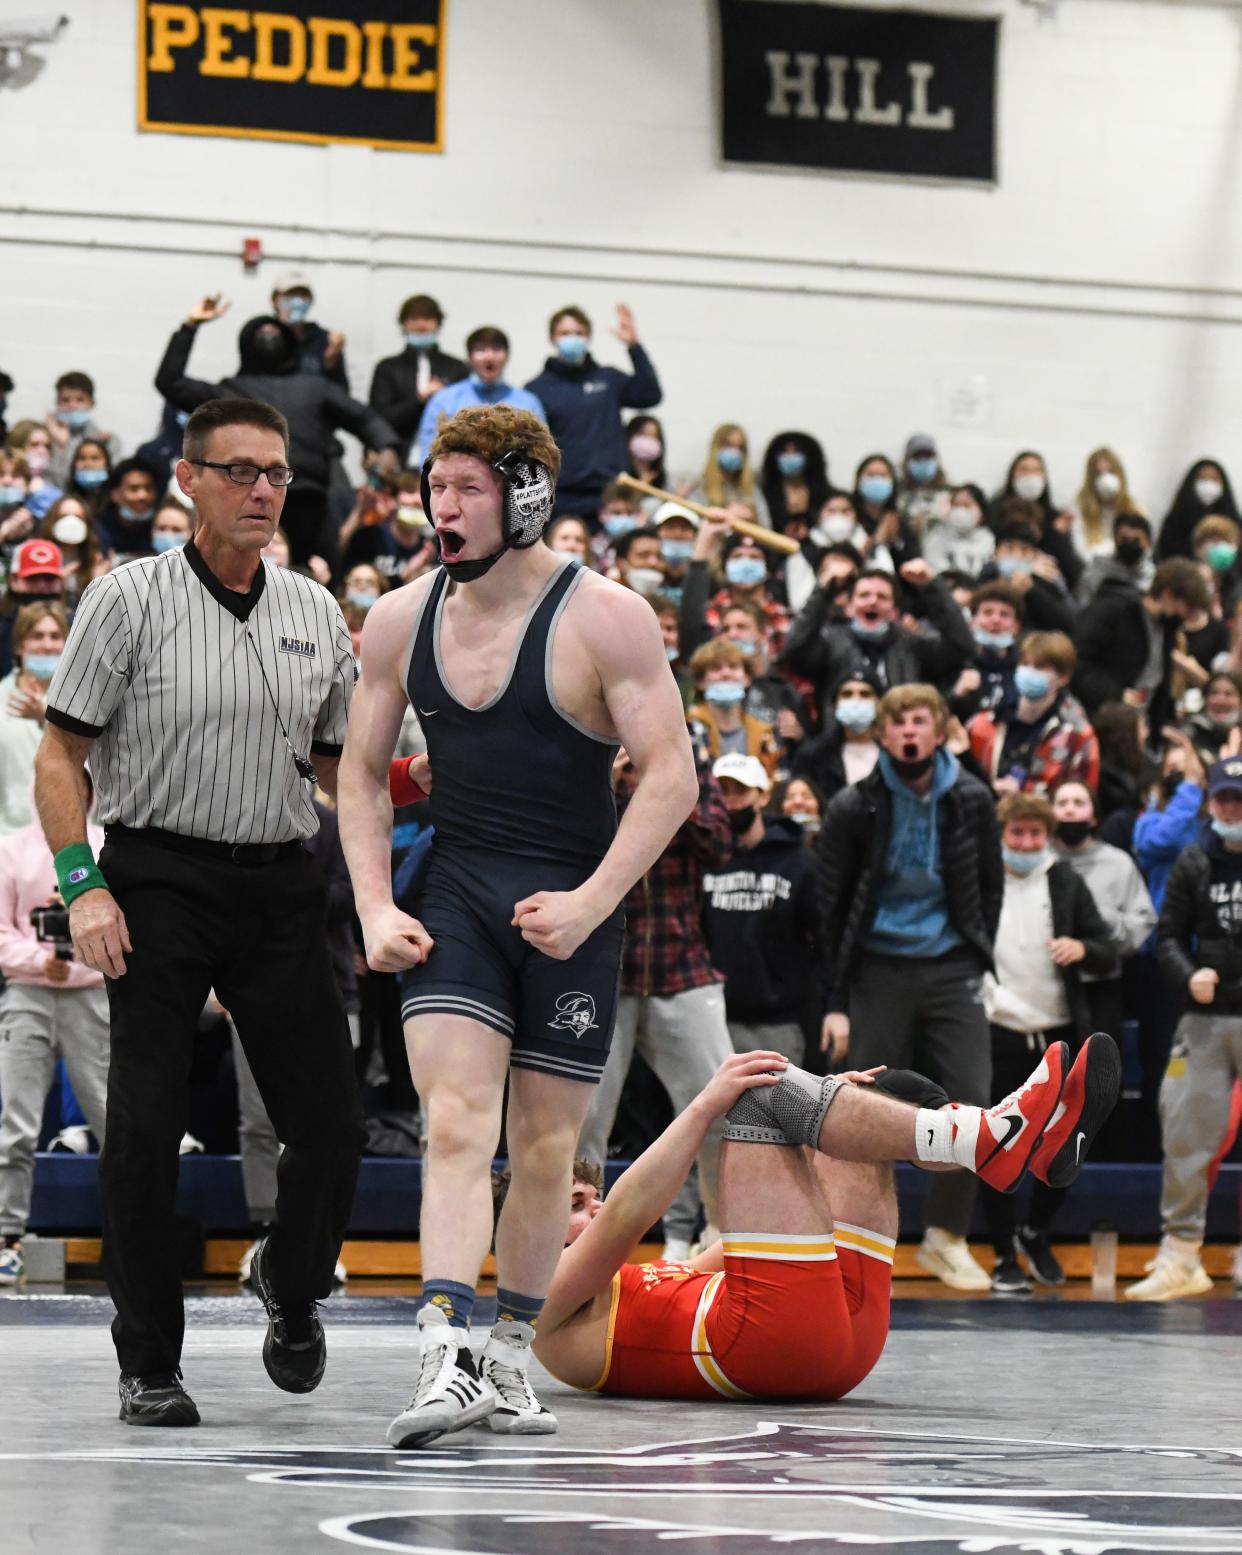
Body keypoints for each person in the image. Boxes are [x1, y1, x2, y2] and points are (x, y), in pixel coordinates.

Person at [336, 403, 697, 1447]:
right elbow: (360, 771)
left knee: (546, 1149)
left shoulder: (608, 616)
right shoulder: (402, 617)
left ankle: (504, 1356)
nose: (443, 508)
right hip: (456, 892)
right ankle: (443, 1348)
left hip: (570, 904)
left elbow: (671, 774)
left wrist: (593, 899)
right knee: (456, 1122)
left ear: (528, 496)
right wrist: (373, 901)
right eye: (435, 486)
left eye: (468, 488)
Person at [34, 396, 365, 1427]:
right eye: (240, 471)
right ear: (188, 480)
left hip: (279, 877)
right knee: (143, 1124)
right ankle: (148, 1362)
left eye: (277, 473)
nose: (264, 489)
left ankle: (293, 1281)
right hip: (159, 875)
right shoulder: (124, 599)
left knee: (334, 1123)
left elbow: (339, 763)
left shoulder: (315, 609)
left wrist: (424, 772)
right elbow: (60, 756)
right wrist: (83, 886)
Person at [530, 1038, 1118, 1403]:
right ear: (528, 1228)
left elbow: (766, 1233)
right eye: (577, 1205)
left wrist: (830, 1108)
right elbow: (632, 1212)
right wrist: (709, 1102)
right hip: (768, 1352)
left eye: (593, 1195)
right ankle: (990, 1139)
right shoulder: (539, 1308)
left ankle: (1030, 1148)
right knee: (758, 1095)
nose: (598, 1207)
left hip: (834, 1343)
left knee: (885, 1093)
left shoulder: (640, 1285)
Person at [817, 683, 1002, 1291]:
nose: (908, 733)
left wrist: (979, 956)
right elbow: (832, 907)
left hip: (952, 967)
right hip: (879, 968)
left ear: (941, 728)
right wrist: (836, 1002)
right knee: (867, 1109)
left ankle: (947, 1238)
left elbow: (989, 886)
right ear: (882, 734)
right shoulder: (854, 805)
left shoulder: (972, 798)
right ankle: (856, 1240)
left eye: (920, 720)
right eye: (898, 723)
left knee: (972, 1099)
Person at [577, 749, 734, 1264]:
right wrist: (612, 781)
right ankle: (572, 1245)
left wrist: (659, 779)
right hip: (599, 968)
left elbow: (718, 845)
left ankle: (726, 1238)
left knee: (725, 1108)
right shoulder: (585, 759)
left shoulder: (690, 765)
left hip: (680, 965)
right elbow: (568, 840)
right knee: (581, 1121)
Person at [981, 792, 1116, 1294]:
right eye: (1017, 834)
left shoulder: (1065, 880)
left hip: (1058, 1032)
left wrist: (1082, 947)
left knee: (1064, 1143)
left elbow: (1106, 949)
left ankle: (1035, 1231)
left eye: (1035, 834)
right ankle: (1001, 1252)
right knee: (996, 1141)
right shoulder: (983, 879)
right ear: (1003, 835)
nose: (1026, 843)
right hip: (998, 1030)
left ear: (1047, 836)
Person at [155, 296, 399, 565]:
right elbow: (170, 381)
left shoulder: (316, 387)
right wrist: (189, 327)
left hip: (310, 503)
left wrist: (386, 447)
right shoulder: (228, 391)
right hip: (246, 499)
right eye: (261, 332)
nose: (268, 334)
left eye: (275, 331)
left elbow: (364, 418)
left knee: (316, 577)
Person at [1135, 755, 1242, 1299]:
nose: (1232, 808)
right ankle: (1180, 1255)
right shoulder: (1194, 860)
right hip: (1205, 1016)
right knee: (1184, 1131)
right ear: (1211, 802)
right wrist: (1187, 974)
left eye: (1240, 799)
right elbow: (1167, 935)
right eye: (1225, 798)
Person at [0, 782, 110, 1286]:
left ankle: (131, 1235)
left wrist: (82, 961)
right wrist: (40, 962)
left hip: (91, 996)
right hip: (27, 996)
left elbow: (123, 921)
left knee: (115, 1121)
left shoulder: (105, 846)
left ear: (85, 796)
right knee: (16, 1123)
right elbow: (3, 932)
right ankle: (6, 1237)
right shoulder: (11, 850)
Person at [702, 753, 818, 1065]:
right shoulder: (702, 858)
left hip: (778, 1019)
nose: (731, 802)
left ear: (763, 795)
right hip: (713, 1016)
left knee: (778, 1112)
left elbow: (821, 938)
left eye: (740, 791)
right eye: (722, 792)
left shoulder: (800, 862)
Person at [782, 563, 974, 727]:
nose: (873, 601)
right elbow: (794, 651)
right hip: (837, 754)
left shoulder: (913, 645)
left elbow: (960, 647)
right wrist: (824, 590)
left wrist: (933, 587)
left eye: (882, 597)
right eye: (864, 595)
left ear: (894, 611)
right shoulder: (831, 643)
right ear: (849, 607)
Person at [525, 304, 661, 519]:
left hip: (612, 493)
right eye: (565, 333)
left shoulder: (608, 378)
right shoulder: (537, 390)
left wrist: (634, 346)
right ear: (552, 339)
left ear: (588, 338)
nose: (573, 338)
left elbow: (650, 395)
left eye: (579, 333)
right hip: (564, 496)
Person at [1052, 779, 1156, 1042]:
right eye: (1062, 803)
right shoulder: (1041, 860)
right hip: (1050, 984)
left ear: (1094, 816)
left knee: (1099, 1073)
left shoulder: (1118, 862)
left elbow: (1143, 921)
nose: (1070, 810)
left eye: (1079, 803)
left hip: (1102, 982)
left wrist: (1105, 929)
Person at [1072, 557, 1209, 733]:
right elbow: (1080, 664)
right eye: (1187, 607)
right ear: (1168, 594)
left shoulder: (1166, 628)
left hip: (1139, 726)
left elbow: (1160, 684)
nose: (1186, 616)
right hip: (1102, 719)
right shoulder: (1113, 610)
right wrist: (1116, 694)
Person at [967, 631, 1099, 797]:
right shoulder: (986, 722)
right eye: (1024, 664)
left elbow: (1082, 801)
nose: (1028, 672)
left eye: (1040, 667)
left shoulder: (1078, 735)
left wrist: (1024, 793)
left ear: (1063, 677)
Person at [368, 293, 469, 466]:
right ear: (403, 324)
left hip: (445, 458)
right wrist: (419, 400)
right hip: (400, 457)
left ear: (438, 323)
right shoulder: (388, 367)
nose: (421, 325)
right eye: (413, 319)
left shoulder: (456, 367)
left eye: (427, 318)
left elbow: (466, 417)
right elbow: (378, 418)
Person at [416, 326, 545, 457]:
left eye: (496, 349)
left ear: (507, 356)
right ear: (469, 357)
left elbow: (541, 452)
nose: (489, 357)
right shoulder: (444, 400)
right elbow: (429, 453)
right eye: (480, 350)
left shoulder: (528, 402)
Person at [0, 602, 67, 835]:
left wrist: (46, 717)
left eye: (55, 636)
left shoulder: (81, 703)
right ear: (20, 645)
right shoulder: (1, 699)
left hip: (67, 840)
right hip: (9, 838)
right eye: (37, 636)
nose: (47, 645)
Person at [686, 639, 780, 777]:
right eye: (716, 668)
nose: (726, 673)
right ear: (700, 681)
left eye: (733, 667)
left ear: (747, 678)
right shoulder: (687, 729)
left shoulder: (765, 732)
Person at [791, 665, 882, 805]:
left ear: (879, 703)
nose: (855, 701)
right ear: (834, 705)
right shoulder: (812, 756)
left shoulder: (895, 753)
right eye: (847, 694)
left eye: (865, 694)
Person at [979, 513, 1078, 635]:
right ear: (995, 553)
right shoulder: (986, 577)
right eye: (1009, 548)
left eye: (1024, 550)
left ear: (1035, 555)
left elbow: (1068, 623)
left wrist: (1032, 590)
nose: (1017, 556)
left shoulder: (1045, 579)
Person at [950, 581, 1024, 724]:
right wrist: (956, 696)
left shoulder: (1026, 669)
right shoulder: (955, 662)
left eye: (1004, 614)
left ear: (1016, 627)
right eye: (987, 612)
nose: (995, 620)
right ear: (973, 622)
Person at [0, 538, 67, 680]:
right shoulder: (2, 630)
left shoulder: (79, 627)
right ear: (14, 581)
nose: (41, 586)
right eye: (32, 578)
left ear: (61, 582)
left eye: (49, 578)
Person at [45, 371, 122, 490]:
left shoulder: (108, 440)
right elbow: (53, 483)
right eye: (65, 400)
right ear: (57, 403)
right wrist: (62, 445)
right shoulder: (44, 439)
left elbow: (113, 484)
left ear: (92, 403)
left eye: (80, 400)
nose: (72, 405)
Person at [269, 270, 348, 387]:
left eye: (302, 295)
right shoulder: (263, 336)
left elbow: (341, 393)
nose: (297, 301)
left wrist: (331, 363)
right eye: (290, 295)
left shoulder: (325, 341)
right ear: (274, 301)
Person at [686, 424, 769, 529]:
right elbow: (689, 527)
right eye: (729, 445)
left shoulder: (751, 490)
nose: (734, 452)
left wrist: (752, 519)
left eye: (739, 447)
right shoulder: (700, 487)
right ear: (716, 448)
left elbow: (767, 527)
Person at [1157, 458, 1241, 560]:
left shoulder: (1234, 522)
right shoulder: (1175, 521)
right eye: (1203, 479)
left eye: (1214, 479)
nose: (1208, 484)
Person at [759, 432, 830, 537]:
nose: (790, 457)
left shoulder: (826, 494)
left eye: (797, 452)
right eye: (785, 452)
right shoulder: (763, 495)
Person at [1076, 513, 1156, 605]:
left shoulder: (1154, 578)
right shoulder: (1097, 570)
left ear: (1148, 543)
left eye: (1136, 540)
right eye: (1125, 539)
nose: (1130, 544)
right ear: (1115, 539)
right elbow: (1082, 604)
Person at [922, 483, 995, 579]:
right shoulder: (935, 539)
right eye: (956, 505)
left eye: (966, 505)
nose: (960, 511)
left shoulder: (989, 541)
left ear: (982, 512)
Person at [896, 432, 951, 534]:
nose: (923, 461)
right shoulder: (896, 494)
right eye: (917, 457)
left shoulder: (949, 494)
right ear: (906, 461)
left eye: (927, 456)